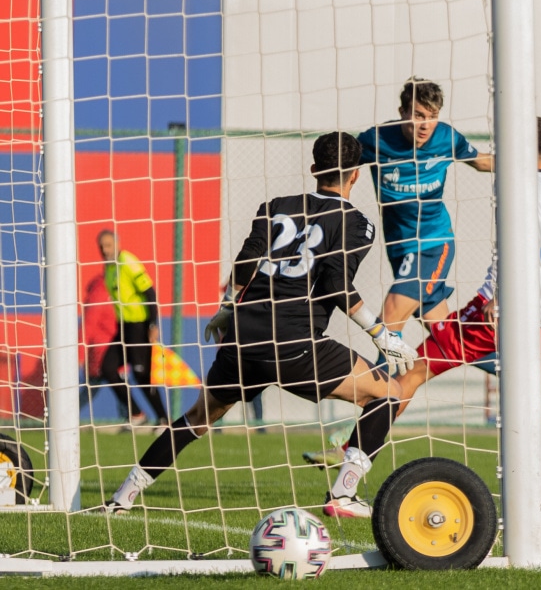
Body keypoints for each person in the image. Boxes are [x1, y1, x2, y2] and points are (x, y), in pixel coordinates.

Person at [308, 117, 541, 502]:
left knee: (412, 371)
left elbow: (506, 207)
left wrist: (497, 299)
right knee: (525, 391)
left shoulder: (513, 183)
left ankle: (349, 458)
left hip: (492, 312)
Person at [102, 131, 416, 520]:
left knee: (197, 419)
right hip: (294, 343)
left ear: (314, 168)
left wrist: (226, 308)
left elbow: (245, 261)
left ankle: (123, 495)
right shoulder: (357, 224)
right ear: (356, 176)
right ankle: (344, 493)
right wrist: (381, 334)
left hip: (243, 337)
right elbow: (337, 285)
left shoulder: (276, 206)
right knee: (390, 392)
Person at [357, 78, 541, 342]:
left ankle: (382, 383)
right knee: (447, 340)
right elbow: (341, 165)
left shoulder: (446, 138)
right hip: (399, 247)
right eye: (418, 115)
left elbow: (482, 162)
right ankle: (511, 366)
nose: (426, 125)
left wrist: (535, 160)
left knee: (391, 316)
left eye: (433, 116)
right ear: (402, 111)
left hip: (433, 243)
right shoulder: (376, 140)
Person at [98, 230, 168, 426]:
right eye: (102, 247)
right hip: (123, 328)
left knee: (141, 375)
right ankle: (137, 414)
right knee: (108, 369)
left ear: (117, 244)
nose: (105, 250)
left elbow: (150, 292)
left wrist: (153, 324)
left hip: (139, 327)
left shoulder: (128, 262)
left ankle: (163, 419)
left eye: (109, 245)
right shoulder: (109, 268)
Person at [79, 273, 129, 420]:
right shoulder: (101, 291)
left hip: (111, 351)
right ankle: (130, 418)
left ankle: (130, 418)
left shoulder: (115, 290)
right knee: (119, 387)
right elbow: (88, 325)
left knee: (91, 391)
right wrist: (81, 354)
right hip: (105, 352)